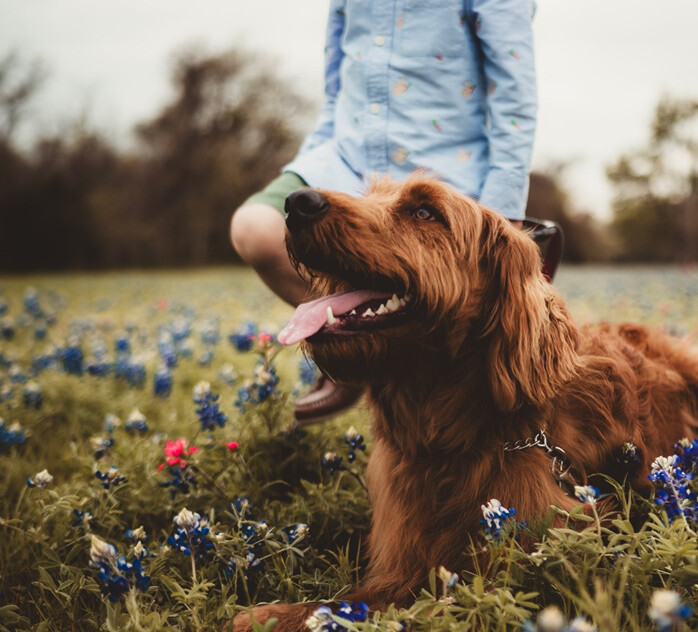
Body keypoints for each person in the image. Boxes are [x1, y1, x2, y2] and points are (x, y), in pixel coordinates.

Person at [230, 0, 543, 425]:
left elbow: (514, 96)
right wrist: (310, 163)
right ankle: (349, 340)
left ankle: (389, 351)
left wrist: (503, 211)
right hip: (347, 161)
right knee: (255, 227)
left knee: (453, 310)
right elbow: (335, 96)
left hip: (442, 173)